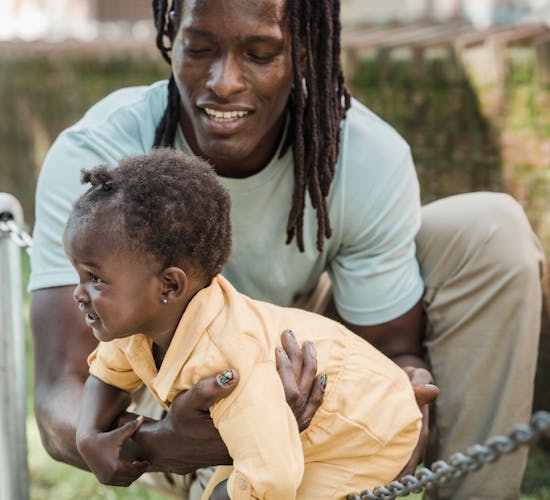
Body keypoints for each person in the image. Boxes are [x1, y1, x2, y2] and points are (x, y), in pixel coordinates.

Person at [29, 0, 547, 498]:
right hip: (176, 380)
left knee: (490, 227)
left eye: (259, 53)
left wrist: (393, 396)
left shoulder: (363, 153)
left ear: (302, 51)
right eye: (199, 48)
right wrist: (162, 444)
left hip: (307, 355)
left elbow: (392, 345)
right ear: (171, 40)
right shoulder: (100, 161)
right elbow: (62, 390)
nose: (224, 82)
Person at [66, 149, 422, 499]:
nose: (79, 294)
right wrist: (89, 436)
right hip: (296, 432)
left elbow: (274, 479)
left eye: (95, 279)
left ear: (170, 285)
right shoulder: (141, 326)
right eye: (79, 275)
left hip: (363, 432)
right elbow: (108, 373)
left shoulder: (229, 361)